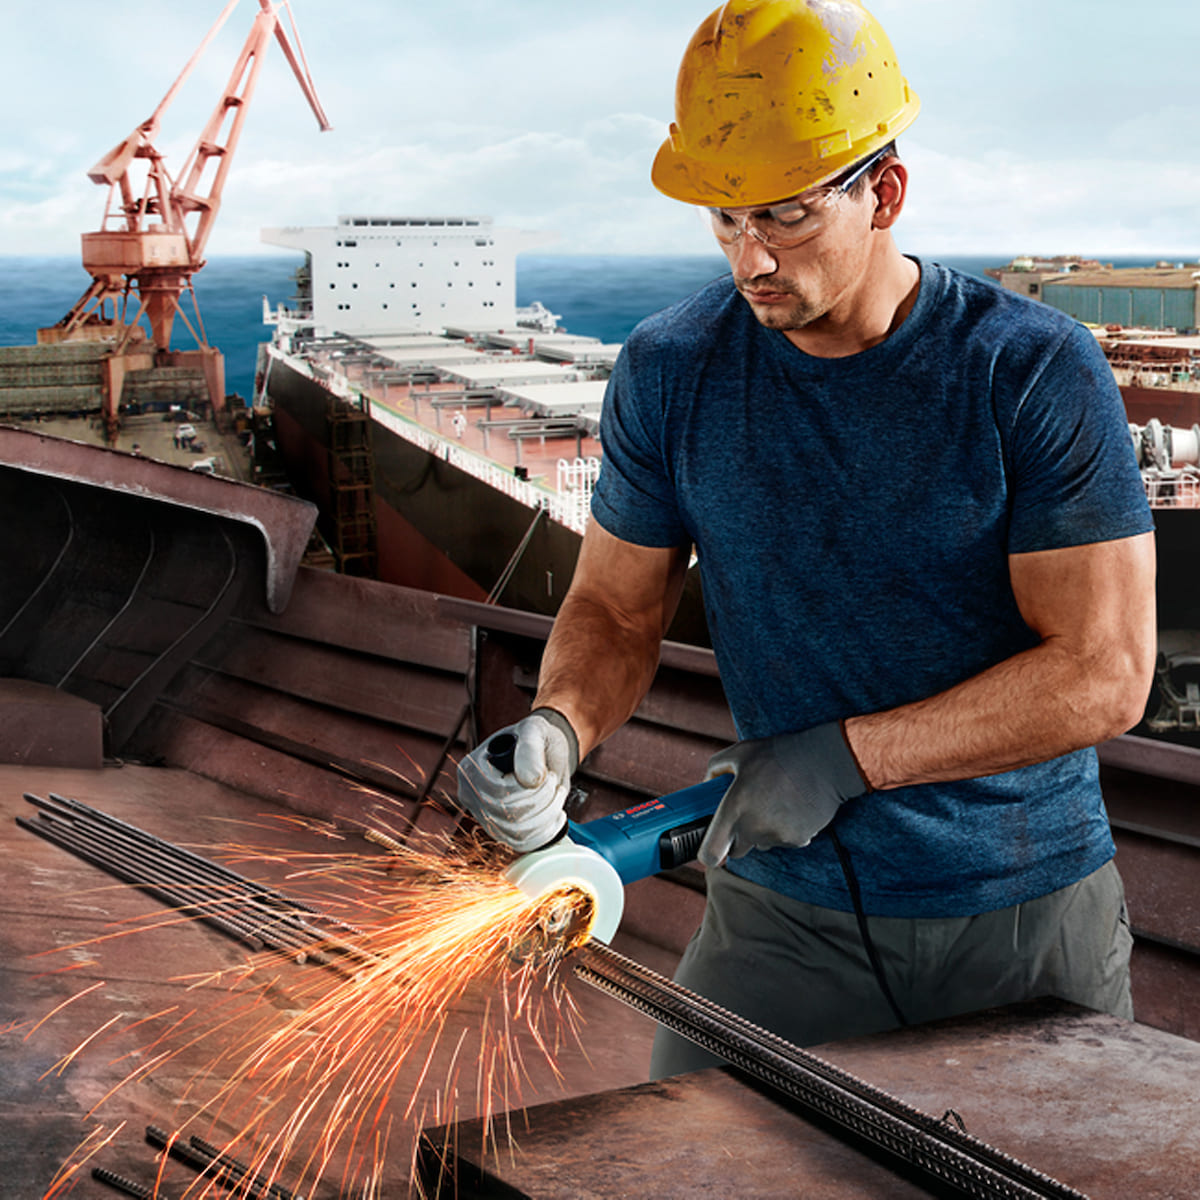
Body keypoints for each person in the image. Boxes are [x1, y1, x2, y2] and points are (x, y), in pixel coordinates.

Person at [457, 0, 1156, 1078]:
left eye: (784, 216)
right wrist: (560, 724)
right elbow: (613, 607)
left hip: (1019, 914)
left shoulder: (1028, 370)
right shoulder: (671, 369)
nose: (751, 258)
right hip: (781, 910)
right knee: (682, 1161)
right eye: (724, 218)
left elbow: (1104, 674)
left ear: (885, 191)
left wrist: (844, 760)